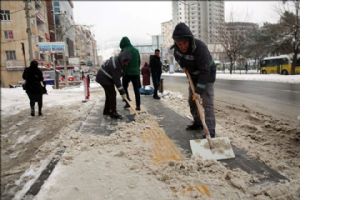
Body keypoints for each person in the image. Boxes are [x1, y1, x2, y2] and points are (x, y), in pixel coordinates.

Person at [171, 22, 217, 138]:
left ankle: (210, 131)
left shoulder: (200, 48)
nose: (182, 46)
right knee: (192, 101)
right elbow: (180, 60)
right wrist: (184, 66)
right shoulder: (176, 50)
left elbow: (205, 71)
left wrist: (199, 91)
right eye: (179, 43)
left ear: (190, 40)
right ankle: (198, 123)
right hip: (193, 76)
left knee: (207, 103)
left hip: (207, 74)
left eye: (184, 43)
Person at [95, 51, 131, 119]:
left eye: (127, 62)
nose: (126, 63)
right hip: (104, 78)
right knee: (112, 94)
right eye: (125, 61)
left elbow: (117, 76)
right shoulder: (116, 66)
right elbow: (117, 81)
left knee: (109, 95)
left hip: (104, 77)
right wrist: (123, 93)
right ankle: (113, 112)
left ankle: (107, 110)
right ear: (122, 59)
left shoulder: (118, 60)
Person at [120, 36, 141, 111]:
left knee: (124, 87)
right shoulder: (136, 50)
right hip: (135, 73)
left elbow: (122, 63)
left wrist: (123, 71)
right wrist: (136, 69)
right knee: (136, 90)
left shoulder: (124, 50)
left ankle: (127, 102)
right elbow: (139, 62)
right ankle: (138, 106)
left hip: (127, 73)